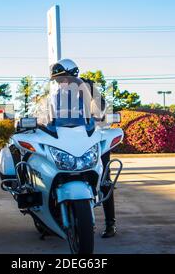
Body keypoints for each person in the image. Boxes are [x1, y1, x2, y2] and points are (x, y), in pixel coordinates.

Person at [50, 59, 117, 238]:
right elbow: (52, 115)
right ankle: (58, 219)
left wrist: (97, 116)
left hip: (92, 134)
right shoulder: (57, 94)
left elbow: (101, 109)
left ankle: (111, 223)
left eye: (64, 78)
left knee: (104, 178)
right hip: (68, 137)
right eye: (58, 80)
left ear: (74, 75)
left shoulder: (88, 87)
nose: (61, 82)